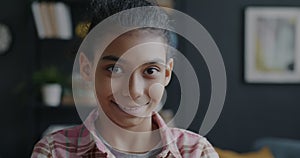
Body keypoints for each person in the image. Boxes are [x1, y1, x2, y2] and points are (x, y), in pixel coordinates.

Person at [31, 0, 219, 157]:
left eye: (150, 71)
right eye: (115, 69)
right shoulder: (53, 152)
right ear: (87, 69)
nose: (134, 91)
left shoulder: (197, 152)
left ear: (167, 74)